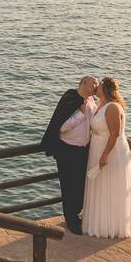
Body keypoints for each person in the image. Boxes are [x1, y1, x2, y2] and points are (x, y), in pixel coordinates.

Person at [81, 76, 131, 239]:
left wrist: (104, 154)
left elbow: (115, 134)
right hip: (97, 148)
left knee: (111, 186)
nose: (95, 87)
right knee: (99, 185)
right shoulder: (101, 105)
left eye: (98, 86)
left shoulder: (112, 107)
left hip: (110, 151)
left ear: (104, 89)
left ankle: (111, 227)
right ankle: (98, 223)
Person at [41, 75, 98, 234]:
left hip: (84, 150)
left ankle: (79, 215)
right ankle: (71, 221)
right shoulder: (70, 98)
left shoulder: (92, 101)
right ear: (84, 83)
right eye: (94, 82)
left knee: (81, 185)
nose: (96, 85)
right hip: (68, 150)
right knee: (69, 186)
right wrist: (79, 114)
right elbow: (61, 128)